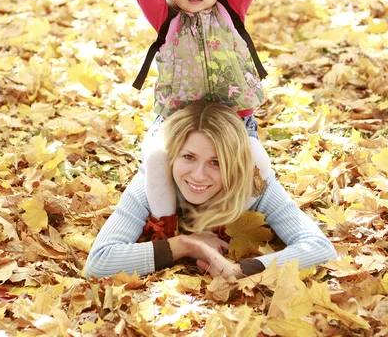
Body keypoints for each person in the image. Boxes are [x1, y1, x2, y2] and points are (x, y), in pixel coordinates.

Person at [134, 0, 271, 226]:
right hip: (178, 118)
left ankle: (236, 221)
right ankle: (165, 224)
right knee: (155, 159)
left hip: (232, 117)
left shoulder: (231, 9)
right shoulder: (167, 16)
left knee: (258, 163)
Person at [85, 101, 337, 279]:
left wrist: (244, 270)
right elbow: (99, 263)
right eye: (189, 157)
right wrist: (184, 245)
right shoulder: (154, 181)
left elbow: (319, 248)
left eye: (216, 162)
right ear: (172, 157)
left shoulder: (254, 184)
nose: (198, 175)